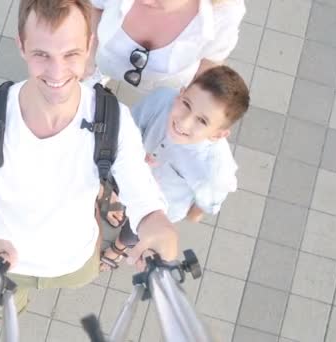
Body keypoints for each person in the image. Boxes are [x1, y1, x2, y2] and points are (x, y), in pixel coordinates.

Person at [0, 0, 178, 313]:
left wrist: (159, 226)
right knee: (10, 303)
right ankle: (15, 306)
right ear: (22, 47)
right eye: (42, 54)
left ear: (89, 45)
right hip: (4, 260)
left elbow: (142, 194)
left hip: (76, 259)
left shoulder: (113, 119)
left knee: (10, 301)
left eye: (71, 54)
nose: (57, 72)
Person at [100, 65, 250, 271]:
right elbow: (129, 128)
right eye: (187, 104)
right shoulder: (162, 99)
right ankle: (113, 207)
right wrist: (134, 155)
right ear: (181, 92)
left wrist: (192, 214)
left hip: (163, 208)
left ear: (217, 134)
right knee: (113, 193)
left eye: (202, 120)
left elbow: (204, 206)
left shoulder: (215, 171)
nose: (184, 122)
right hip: (126, 173)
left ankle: (118, 249)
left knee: (135, 232)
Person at [84, 0, 245, 93]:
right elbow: (94, 7)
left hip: (167, 88)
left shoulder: (223, 14)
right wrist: (89, 58)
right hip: (104, 61)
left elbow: (210, 61)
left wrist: (189, 106)